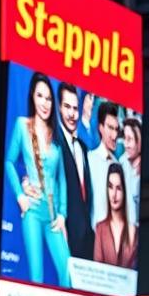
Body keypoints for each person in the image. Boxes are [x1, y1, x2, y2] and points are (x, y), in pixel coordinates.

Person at [4, 72, 71, 288]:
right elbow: (9, 162)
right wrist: (20, 195)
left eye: (49, 98)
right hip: (31, 211)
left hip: (52, 215)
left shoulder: (56, 135)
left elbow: (61, 180)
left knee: (67, 273)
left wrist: (62, 214)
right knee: (36, 278)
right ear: (32, 96)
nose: (45, 103)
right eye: (40, 96)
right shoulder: (22, 126)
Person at [55, 82, 95, 261]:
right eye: (67, 107)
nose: (72, 114)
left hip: (86, 244)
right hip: (63, 238)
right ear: (59, 108)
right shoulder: (53, 143)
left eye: (75, 108)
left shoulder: (84, 149)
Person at [93, 163, 137, 269]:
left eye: (118, 188)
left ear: (124, 191)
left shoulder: (134, 230)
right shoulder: (100, 229)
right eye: (110, 187)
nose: (114, 194)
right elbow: (97, 268)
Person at [87, 101, 122, 230]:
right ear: (101, 128)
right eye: (110, 128)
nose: (114, 135)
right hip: (93, 238)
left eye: (116, 129)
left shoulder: (118, 165)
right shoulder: (89, 159)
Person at [119, 117, 142, 227]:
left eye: (129, 139)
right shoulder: (122, 162)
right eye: (124, 138)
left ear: (139, 142)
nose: (125, 144)